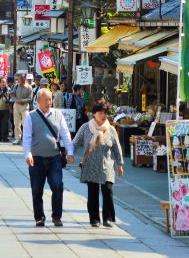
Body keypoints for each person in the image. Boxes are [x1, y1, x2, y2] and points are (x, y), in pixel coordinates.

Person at [22, 87, 75, 227]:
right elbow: (26, 137)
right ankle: (39, 217)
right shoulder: (31, 116)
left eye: (50, 99)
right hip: (37, 158)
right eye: (46, 99)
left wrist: (70, 152)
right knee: (36, 189)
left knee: (57, 186)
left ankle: (57, 216)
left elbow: (65, 135)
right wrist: (27, 154)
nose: (49, 102)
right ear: (38, 100)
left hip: (54, 158)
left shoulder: (58, 114)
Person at [71, 100, 125, 228]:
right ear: (94, 114)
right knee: (93, 192)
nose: (103, 115)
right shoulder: (85, 128)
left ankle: (108, 218)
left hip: (107, 164)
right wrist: (70, 154)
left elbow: (117, 148)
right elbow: (75, 143)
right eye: (100, 113)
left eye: (105, 113)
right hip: (91, 164)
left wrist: (120, 164)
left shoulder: (111, 129)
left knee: (108, 190)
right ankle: (94, 219)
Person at [12, 73, 33, 145]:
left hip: (24, 106)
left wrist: (21, 101)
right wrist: (15, 100)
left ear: (24, 79)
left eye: (20, 79)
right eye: (18, 79)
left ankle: (26, 138)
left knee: (25, 123)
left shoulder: (29, 87)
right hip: (16, 105)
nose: (18, 80)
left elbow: (30, 99)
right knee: (16, 123)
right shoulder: (16, 86)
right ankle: (17, 138)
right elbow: (12, 94)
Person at [0, 78, 12, 142]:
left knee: (5, 124)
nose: (3, 83)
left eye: (5, 82)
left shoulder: (9, 89)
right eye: (2, 82)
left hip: (6, 109)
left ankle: (5, 137)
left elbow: (11, 98)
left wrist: (9, 102)